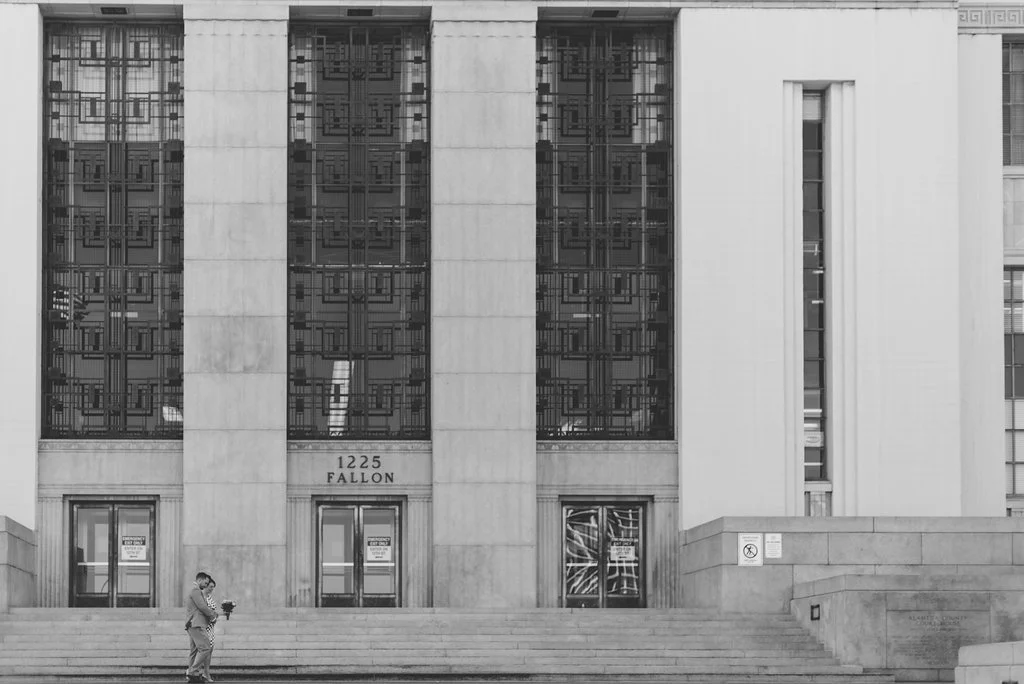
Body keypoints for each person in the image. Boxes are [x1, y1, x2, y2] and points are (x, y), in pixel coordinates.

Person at [184, 572, 218, 684]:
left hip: (192, 624)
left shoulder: (195, 591)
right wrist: (213, 615)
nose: (206, 584)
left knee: (194, 651)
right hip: (197, 624)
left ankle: (192, 676)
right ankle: (192, 671)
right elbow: (202, 606)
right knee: (206, 648)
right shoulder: (196, 591)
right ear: (200, 580)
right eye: (206, 582)